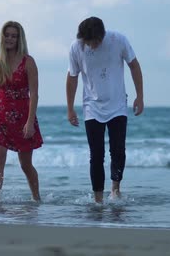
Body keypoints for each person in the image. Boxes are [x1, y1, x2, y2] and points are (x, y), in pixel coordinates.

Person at [66, 16, 144, 203]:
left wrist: (140, 96)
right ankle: (98, 199)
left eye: (94, 42)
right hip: (92, 106)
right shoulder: (76, 47)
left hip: (117, 105)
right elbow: (72, 76)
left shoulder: (118, 40)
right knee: (96, 154)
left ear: (102, 37)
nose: (90, 46)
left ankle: (115, 189)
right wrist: (70, 108)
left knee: (118, 150)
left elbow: (134, 65)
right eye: (87, 42)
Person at [0, 20, 43, 201]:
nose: (10, 39)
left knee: (25, 164)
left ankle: (36, 199)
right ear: (2, 37)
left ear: (19, 39)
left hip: (23, 118)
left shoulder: (28, 62)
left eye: (14, 36)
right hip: (0, 118)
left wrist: (30, 122)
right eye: (7, 35)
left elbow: (35, 94)